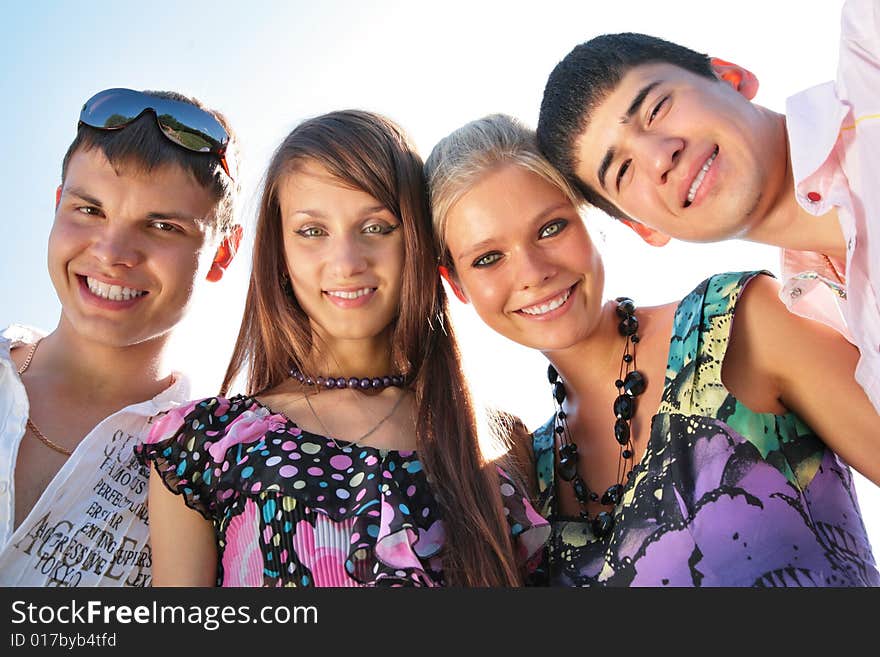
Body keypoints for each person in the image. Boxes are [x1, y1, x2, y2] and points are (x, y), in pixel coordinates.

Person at [426, 113, 880, 586]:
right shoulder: (523, 484)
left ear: (590, 216)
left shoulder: (737, 323)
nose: (531, 272)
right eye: (488, 258)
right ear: (456, 284)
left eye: (550, 228)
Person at [137, 110, 548, 587]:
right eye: (312, 232)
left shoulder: (498, 440)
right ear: (281, 253)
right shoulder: (207, 444)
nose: (347, 262)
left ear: (417, 240)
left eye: (376, 227)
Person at [535, 0, 880, 415]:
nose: (661, 158)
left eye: (657, 109)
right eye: (623, 171)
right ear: (643, 228)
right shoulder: (842, 333)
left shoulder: (870, 45)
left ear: (729, 76)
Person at [0, 88, 242, 586]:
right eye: (89, 210)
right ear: (57, 205)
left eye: (162, 225)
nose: (112, 252)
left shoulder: (219, 471)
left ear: (223, 252)